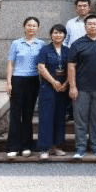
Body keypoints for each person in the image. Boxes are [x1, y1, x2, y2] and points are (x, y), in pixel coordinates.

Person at [68, 14, 96, 159]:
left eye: (95, 24)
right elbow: (71, 66)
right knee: (80, 120)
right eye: (89, 24)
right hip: (81, 89)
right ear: (85, 27)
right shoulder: (77, 44)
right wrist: (72, 87)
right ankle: (80, 148)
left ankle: (95, 146)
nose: (92, 26)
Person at [6, 16, 44, 158]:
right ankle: (13, 147)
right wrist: (8, 82)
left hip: (33, 80)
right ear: (24, 26)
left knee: (28, 114)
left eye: (34, 25)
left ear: (37, 28)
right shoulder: (16, 43)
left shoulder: (41, 44)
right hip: (17, 80)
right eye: (29, 25)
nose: (31, 28)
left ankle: (26, 146)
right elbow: (10, 63)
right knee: (15, 114)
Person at [36, 23, 70, 160]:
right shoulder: (45, 49)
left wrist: (66, 83)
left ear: (64, 35)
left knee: (59, 117)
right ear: (51, 35)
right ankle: (45, 148)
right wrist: (53, 82)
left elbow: (72, 68)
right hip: (48, 88)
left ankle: (57, 146)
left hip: (63, 89)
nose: (58, 35)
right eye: (55, 32)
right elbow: (41, 67)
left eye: (61, 33)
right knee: (46, 117)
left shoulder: (68, 50)